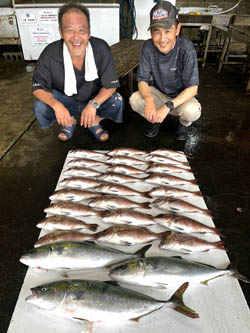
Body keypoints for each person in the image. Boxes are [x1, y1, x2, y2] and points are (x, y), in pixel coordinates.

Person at [32, 3, 124, 142]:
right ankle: (69, 121)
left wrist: (93, 104)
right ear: (61, 32)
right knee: (40, 105)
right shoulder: (50, 53)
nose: (76, 37)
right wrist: (57, 106)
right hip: (65, 100)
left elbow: (111, 85)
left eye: (82, 30)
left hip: (92, 97)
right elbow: (38, 87)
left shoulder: (101, 48)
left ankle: (94, 121)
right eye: (69, 30)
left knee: (117, 101)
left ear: (89, 32)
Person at [129, 0, 201, 140]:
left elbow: (193, 89)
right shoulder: (148, 47)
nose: (162, 39)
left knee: (191, 112)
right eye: (157, 32)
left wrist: (168, 106)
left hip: (180, 97)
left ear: (177, 29)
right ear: (151, 32)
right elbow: (142, 80)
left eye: (168, 31)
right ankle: (154, 120)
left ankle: (184, 124)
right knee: (135, 99)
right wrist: (149, 100)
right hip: (159, 92)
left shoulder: (186, 48)